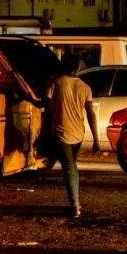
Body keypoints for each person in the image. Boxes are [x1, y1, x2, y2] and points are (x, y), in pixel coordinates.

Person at [47, 53, 99, 219]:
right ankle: (74, 202)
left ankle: (75, 205)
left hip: (63, 133)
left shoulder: (56, 83)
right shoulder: (85, 87)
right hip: (79, 133)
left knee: (69, 168)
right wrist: (96, 139)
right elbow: (91, 113)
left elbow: (46, 105)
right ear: (77, 67)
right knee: (71, 166)